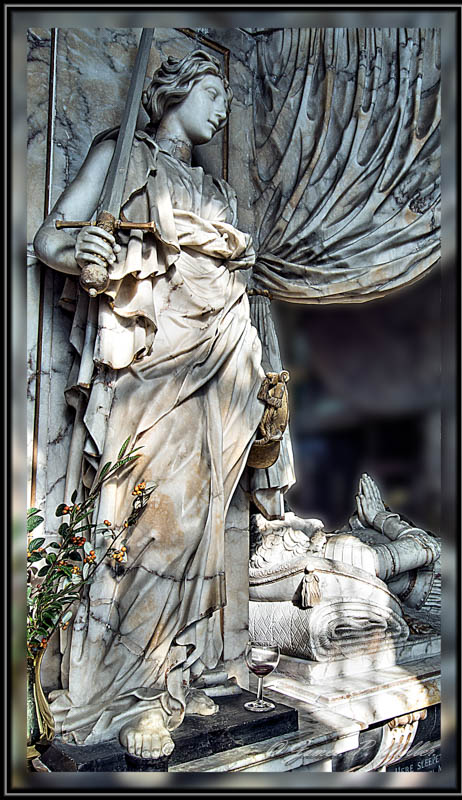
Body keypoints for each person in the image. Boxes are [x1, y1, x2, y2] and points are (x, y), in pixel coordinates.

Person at [33, 50, 266, 760]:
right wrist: (86, 250)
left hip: (220, 361)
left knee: (196, 522)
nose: (220, 108)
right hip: (149, 364)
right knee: (145, 520)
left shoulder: (217, 190)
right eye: (209, 91)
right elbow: (50, 237)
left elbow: (236, 288)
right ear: (170, 94)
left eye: (226, 96)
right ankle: (126, 690)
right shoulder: (122, 152)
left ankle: (170, 673)